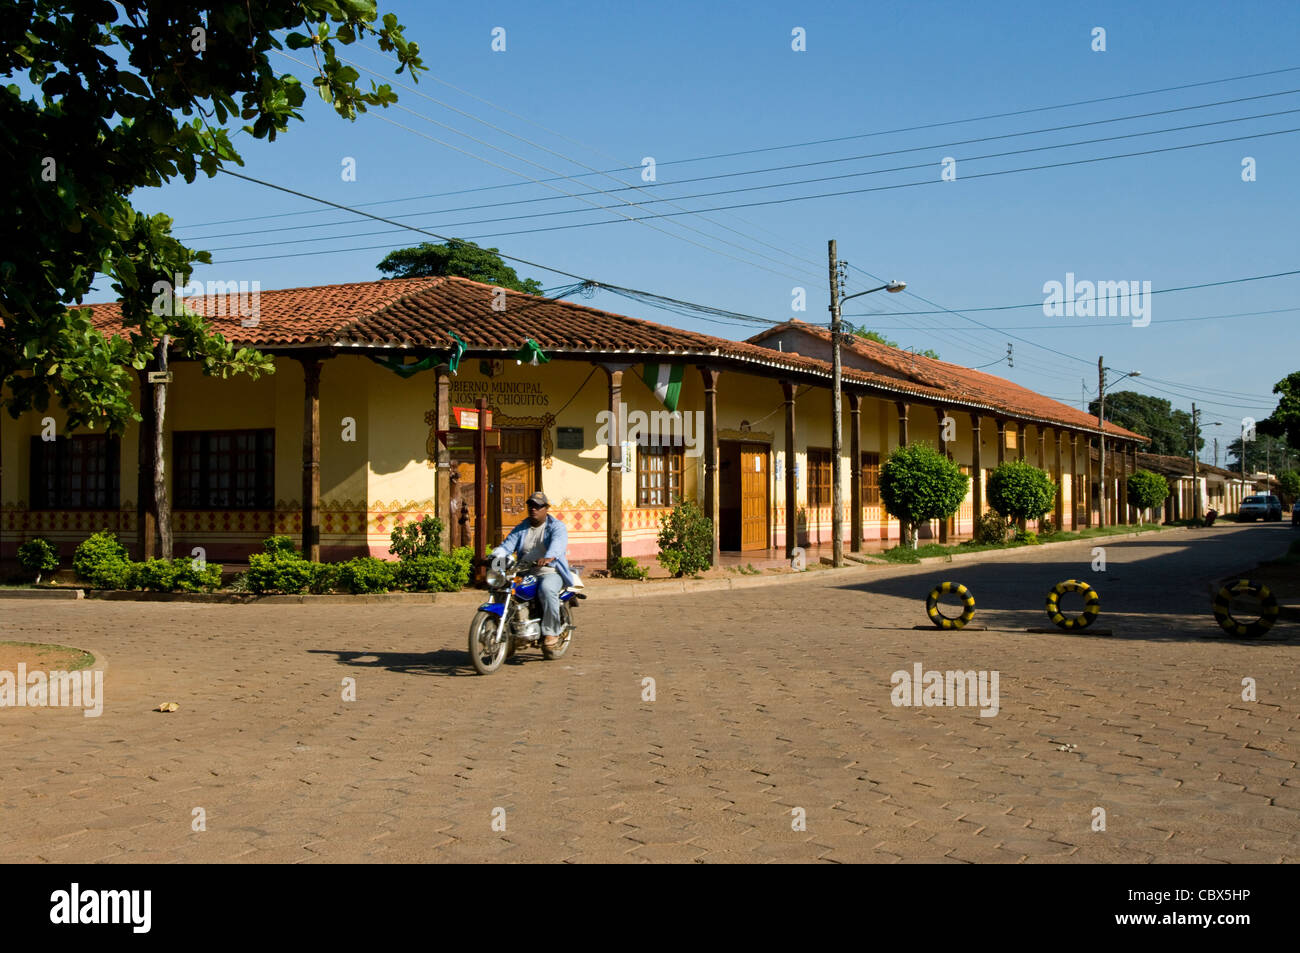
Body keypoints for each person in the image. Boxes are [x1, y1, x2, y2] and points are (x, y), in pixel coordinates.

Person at [490, 491, 575, 648]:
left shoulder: (556, 526)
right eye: (530, 506)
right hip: (525, 571)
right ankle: (510, 627)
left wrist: (548, 557)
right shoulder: (522, 527)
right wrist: (495, 556)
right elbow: (508, 545)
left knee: (547, 589)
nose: (533, 509)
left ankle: (551, 632)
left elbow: (558, 544)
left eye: (537, 506)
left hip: (550, 571)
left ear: (546, 509)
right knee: (504, 588)